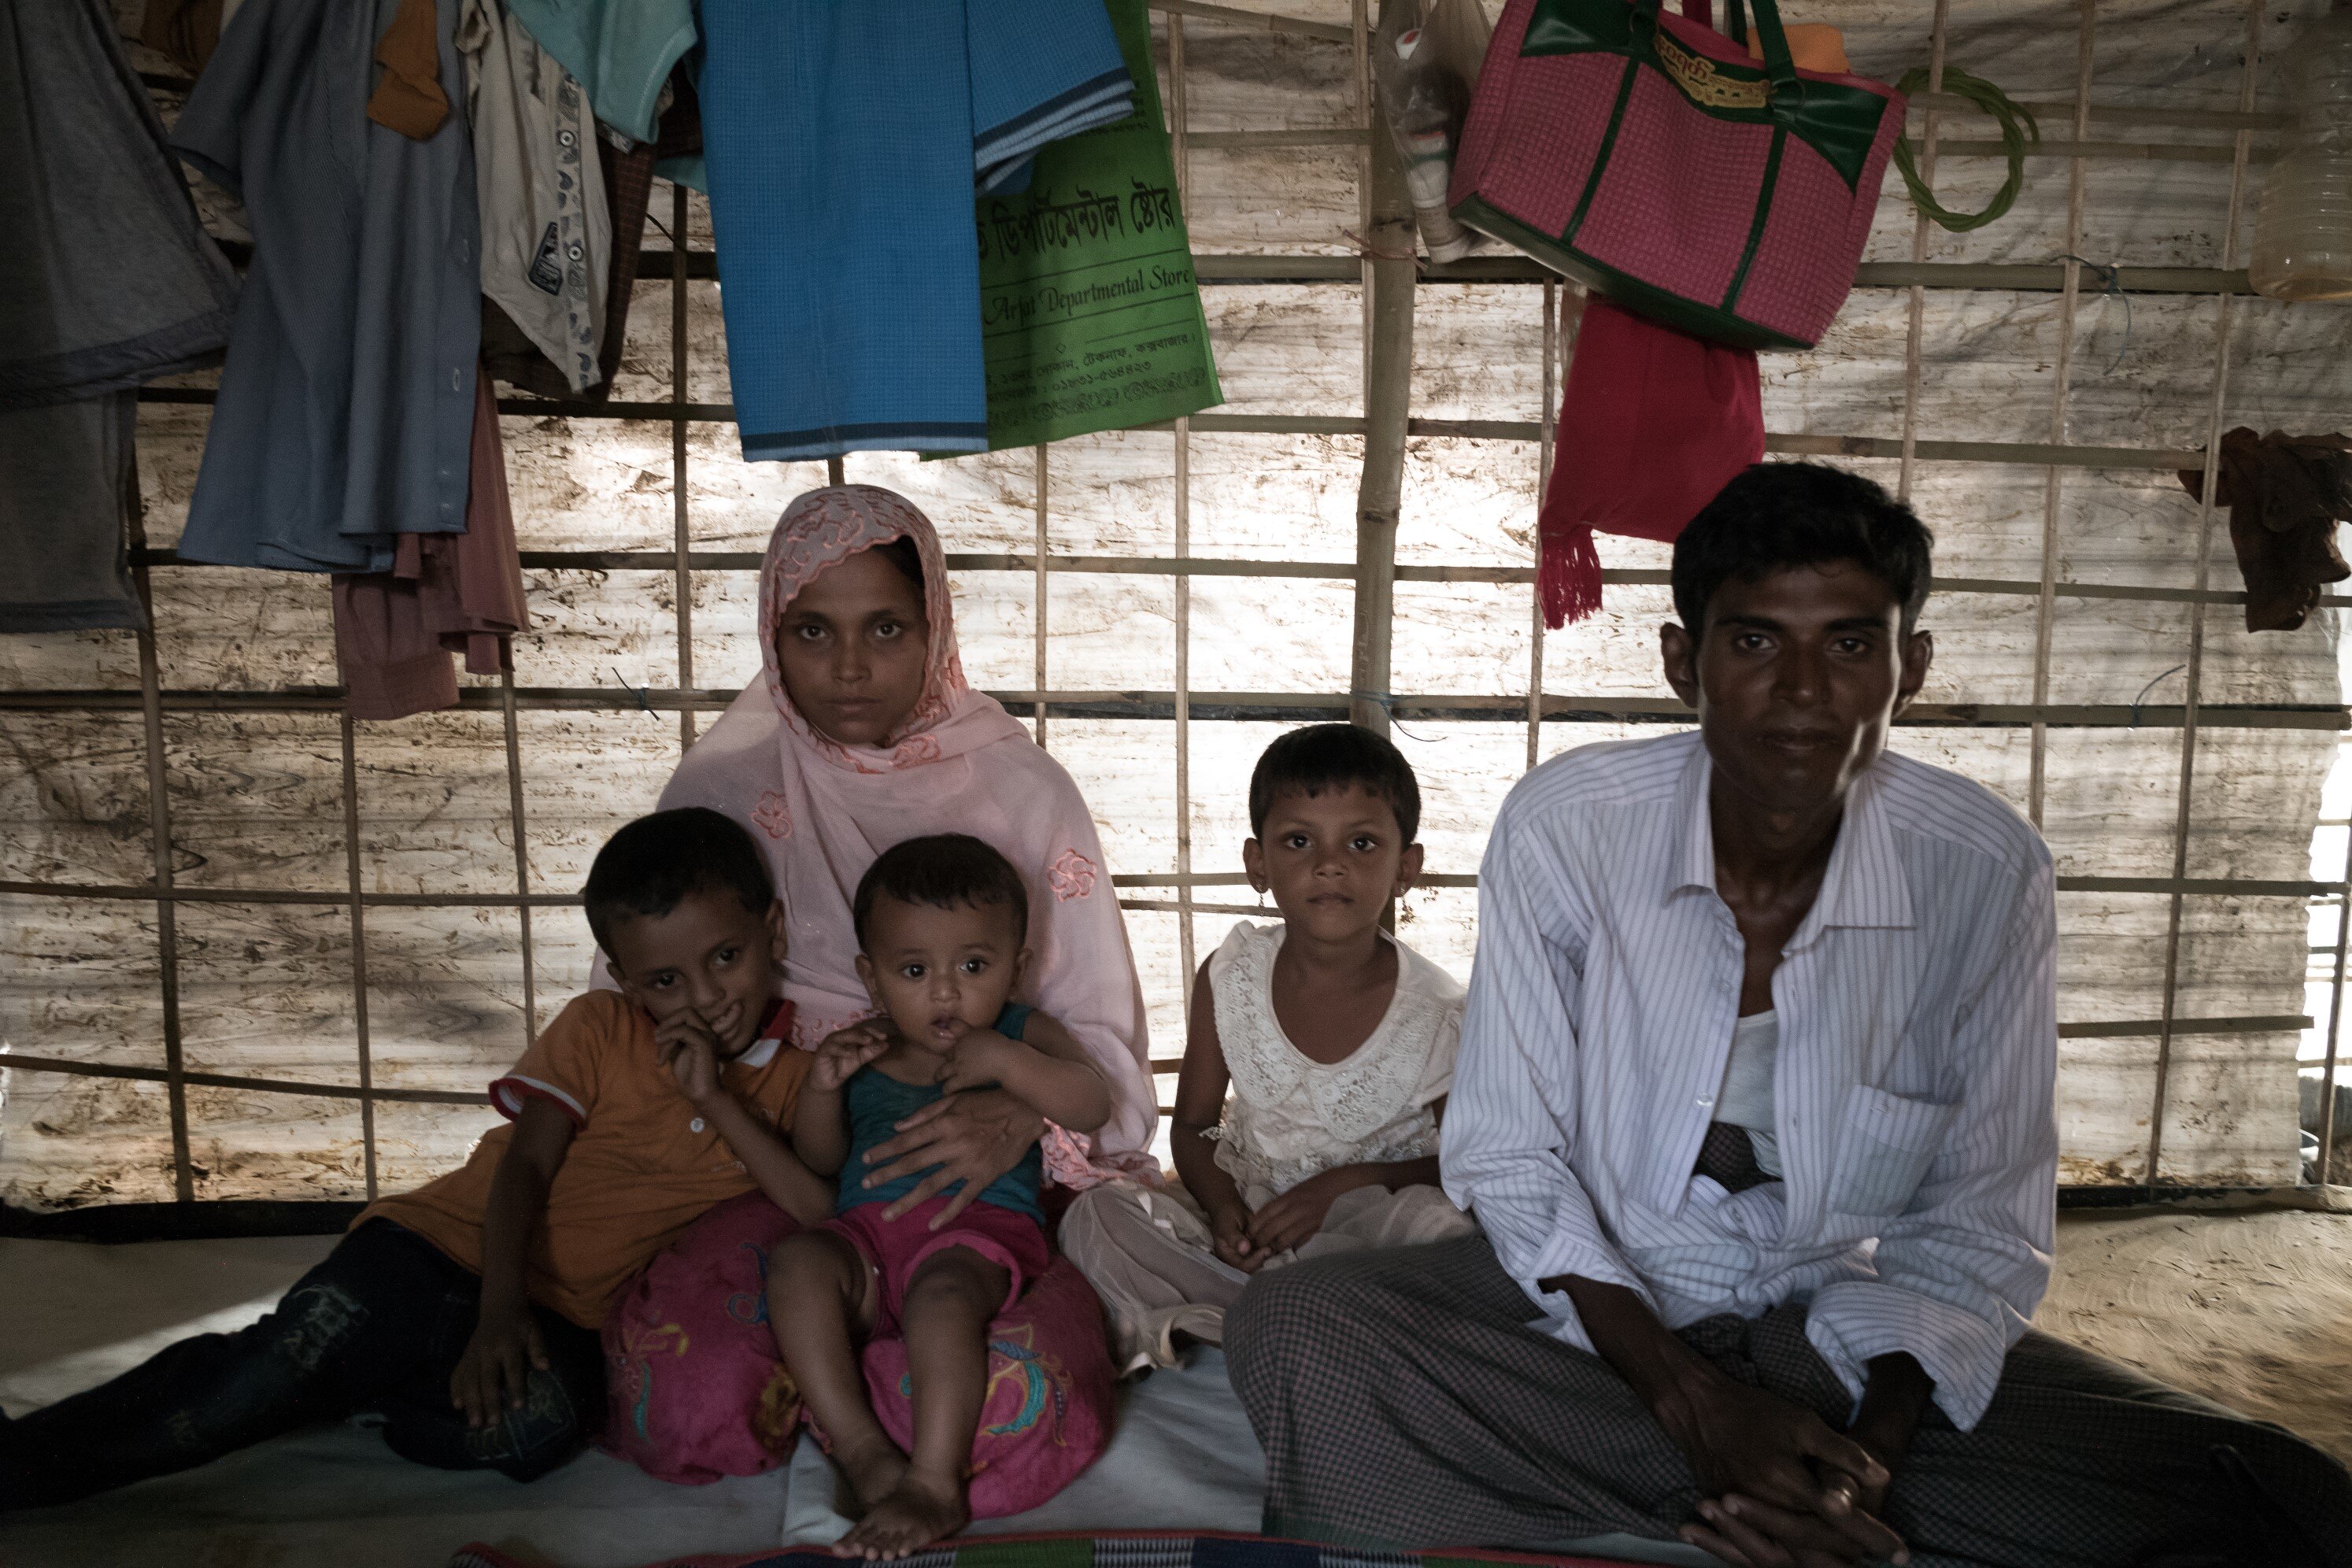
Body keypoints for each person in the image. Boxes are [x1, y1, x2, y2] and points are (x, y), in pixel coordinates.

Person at [1224, 463, 2352, 1567]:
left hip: (1830, 1317)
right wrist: (1694, 1406)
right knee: (1296, 1329)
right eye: (1757, 642)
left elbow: (1977, 1220)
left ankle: (1778, 1492)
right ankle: (1761, 1486)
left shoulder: (1983, 871)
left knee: (2274, 1491)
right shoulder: (1570, 827)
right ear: (1685, 663)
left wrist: (1866, 1461)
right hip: (1601, 1304)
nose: (1805, 690)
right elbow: (1510, 1157)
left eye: (1851, 646)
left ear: (1911, 668)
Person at [0, 807, 834, 1511]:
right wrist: (497, 1311)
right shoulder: (601, 1029)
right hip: (438, 1254)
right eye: (665, 981)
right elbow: (524, 1169)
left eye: (725, 958)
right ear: (623, 979)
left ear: (772, 932)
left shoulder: (797, 1082)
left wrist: (716, 1097)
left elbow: (814, 1210)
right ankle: (23, 1463)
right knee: (267, 1372)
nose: (705, 997)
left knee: (538, 1433)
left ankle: (372, 1392)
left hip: (565, 1319)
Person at [597, 484, 1147, 1483]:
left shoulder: (1024, 794)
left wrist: (1019, 1112)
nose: (849, 667)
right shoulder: (724, 794)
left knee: (1018, 1417)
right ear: (772, 635)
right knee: (688, 1405)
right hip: (787, 1186)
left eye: (886, 628)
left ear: (934, 627)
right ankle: (861, 1422)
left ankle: (884, 1420)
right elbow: (641, 1008)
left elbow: (1097, 1044)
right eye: (812, 631)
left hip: (995, 1197)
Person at [1062, 723, 1475, 1372]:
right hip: (1250, 1216)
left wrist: (1346, 1185)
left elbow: (1467, 1166)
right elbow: (1192, 1127)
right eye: (1299, 841)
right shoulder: (1231, 976)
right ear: (1259, 863)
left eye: (1362, 843)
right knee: (1096, 1215)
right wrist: (1225, 1210)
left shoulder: (1441, 1013)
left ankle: (1245, 1318)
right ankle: (1281, 1320)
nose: (1329, 863)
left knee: (1442, 1230)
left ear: (1406, 867)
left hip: (1366, 1232)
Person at [770, 834, 1109, 1557]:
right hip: (866, 1244)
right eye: (915, 970)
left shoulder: (1020, 1031)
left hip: (975, 1236)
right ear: (872, 978)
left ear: (1016, 969)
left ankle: (931, 1484)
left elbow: (1091, 1102)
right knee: (797, 1263)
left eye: (974, 966)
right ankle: (863, 1450)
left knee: (942, 1299)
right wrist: (822, 1090)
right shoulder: (864, 1049)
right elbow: (821, 1161)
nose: (946, 992)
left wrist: (1011, 1062)